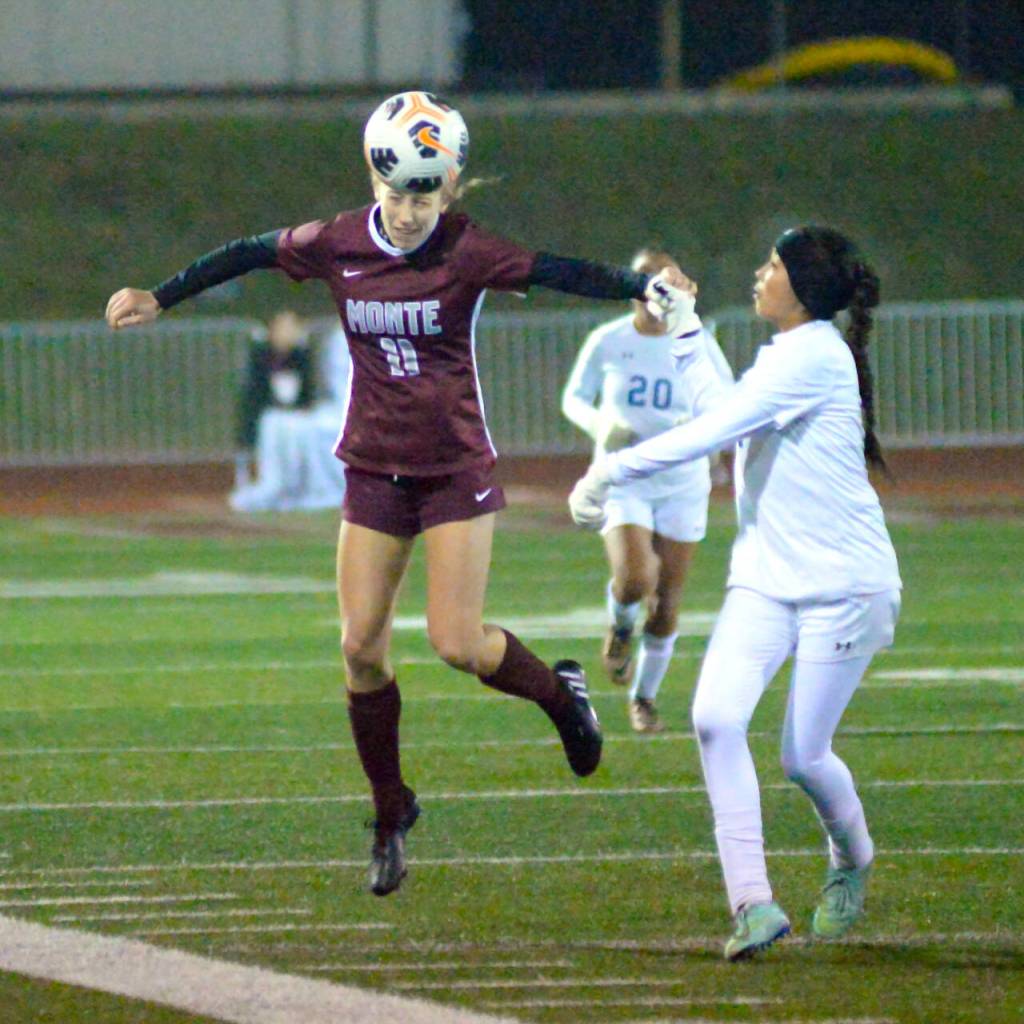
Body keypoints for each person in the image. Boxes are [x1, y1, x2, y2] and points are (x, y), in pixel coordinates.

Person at [104, 90, 678, 899]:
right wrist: (160, 295)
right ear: (373, 178)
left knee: (455, 642)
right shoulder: (337, 240)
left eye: (425, 194)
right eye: (397, 192)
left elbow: (554, 270)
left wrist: (637, 285)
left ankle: (561, 694)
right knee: (359, 649)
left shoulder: (469, 250)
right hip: (374, 468)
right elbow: (249, 252)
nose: (408, 211)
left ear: (448, 189)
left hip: (452, 469)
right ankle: (390, 810)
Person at [570, 226, 901, 960]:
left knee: (803, 757)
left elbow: (713, 427)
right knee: (716, 719)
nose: (758, 273)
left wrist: (608, 472)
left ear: (804, 289)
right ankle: (754, 905)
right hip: (766, 580)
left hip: (844, 586)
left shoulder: (815, 355)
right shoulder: (787, 353)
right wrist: (685, 325)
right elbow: (723, 404)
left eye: (773, 266)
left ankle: (852, 858)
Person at [561, 247, 733, 733]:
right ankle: (618, 626)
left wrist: (709, 434)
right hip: (625, 476)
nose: (652, 289)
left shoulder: (697, 340)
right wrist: (602, 425)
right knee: (636, 578)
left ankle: (645, 698)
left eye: (662, 279)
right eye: (642, 278)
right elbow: (573, 397)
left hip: (683, 480)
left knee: (667, 604)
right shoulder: (609, 340)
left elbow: (725, 397)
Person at [230, 310, 317, 512]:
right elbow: (256, 393)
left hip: (293, 419)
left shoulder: (300, 356)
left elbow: (306, 391)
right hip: (268, 418)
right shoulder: (262, 355)